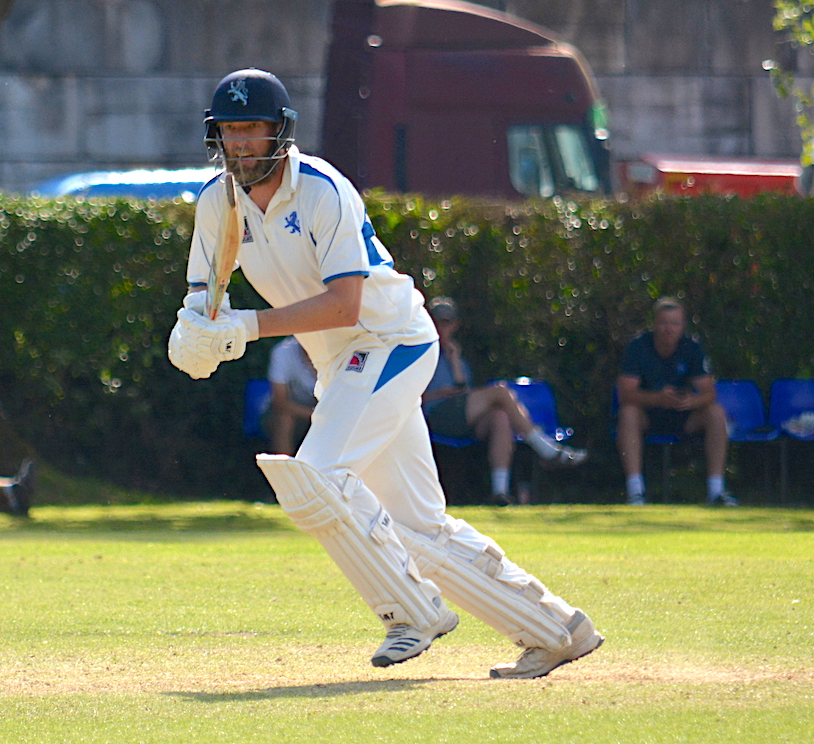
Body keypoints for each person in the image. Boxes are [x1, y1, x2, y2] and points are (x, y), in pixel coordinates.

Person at [167, 68, 603, 678]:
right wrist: (193, 334)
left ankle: (414, 613)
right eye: (230, 130)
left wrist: (246, 327)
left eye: (252, 128)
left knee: (314, 477)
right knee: (419, 529)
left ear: (280, 131)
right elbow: (204, 296)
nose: (240, 143)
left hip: (389, 341)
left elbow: (345, 305)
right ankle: (558, 630)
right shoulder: (218, 202)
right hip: (340, 364)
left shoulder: (322, 189)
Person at [422, 296, 587, 505]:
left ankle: (500, 492)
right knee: (500, 392)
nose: (441, 329)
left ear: (454, 326)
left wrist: (453, 360)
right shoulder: (420, 353)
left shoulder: (458, 360)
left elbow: (463, 391)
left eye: (446, 323)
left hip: (460, 418)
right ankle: (546, 449)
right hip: (432, 417)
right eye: (437, 322)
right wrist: (439, 394)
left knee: (500, 417)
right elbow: (409, 397)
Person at [616, 296, 735, 506]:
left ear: (682, 326)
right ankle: (635, 492)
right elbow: (625, 394)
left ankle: (716, 491)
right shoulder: (637, 347)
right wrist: (658, 398)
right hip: (648, 416)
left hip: (683, 416)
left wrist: (692, 401)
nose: (669, 329)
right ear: (654, 324)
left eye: (675, 323)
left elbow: (709, 393)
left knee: (716, 413)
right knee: (628, 413)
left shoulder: (692, 348)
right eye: (664, 323)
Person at [265, 336, 317, 455]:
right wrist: (317, 415)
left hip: (324, 413)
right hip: (294, 414)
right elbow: (280, 403)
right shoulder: (282, 351)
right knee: (284, 419)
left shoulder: (339, 352)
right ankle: (283, 466)